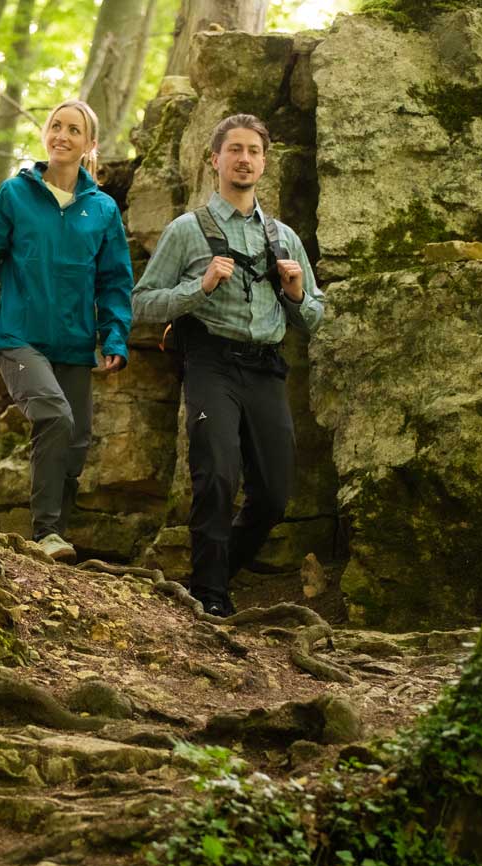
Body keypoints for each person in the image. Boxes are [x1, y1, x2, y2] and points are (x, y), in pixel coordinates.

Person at [131, 113, 324, 617]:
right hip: (210, 363)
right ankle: (211, 597)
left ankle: (211, 576)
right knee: (216, 475)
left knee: (275, 495)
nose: (244, 159)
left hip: (265, 368)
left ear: (264, 163)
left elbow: (316, 317)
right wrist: (201, 287)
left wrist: (298, 292)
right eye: (234, 149)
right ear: (214, 159)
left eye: (254, 151)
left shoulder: (283, 238)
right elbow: (142, 303)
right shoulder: (186, 231)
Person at [0, 99, 133, 564]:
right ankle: (46, 534)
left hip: (74, 342)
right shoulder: (15, 195)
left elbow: (114, 280)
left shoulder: (103, 210)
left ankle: (57, 535)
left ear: (89, 144)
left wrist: (114, 336)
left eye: (74, 130)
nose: (62, 136)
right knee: (54, 416)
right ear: (45, 136)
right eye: (56, 126)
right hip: (18, 337)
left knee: (76, 441)